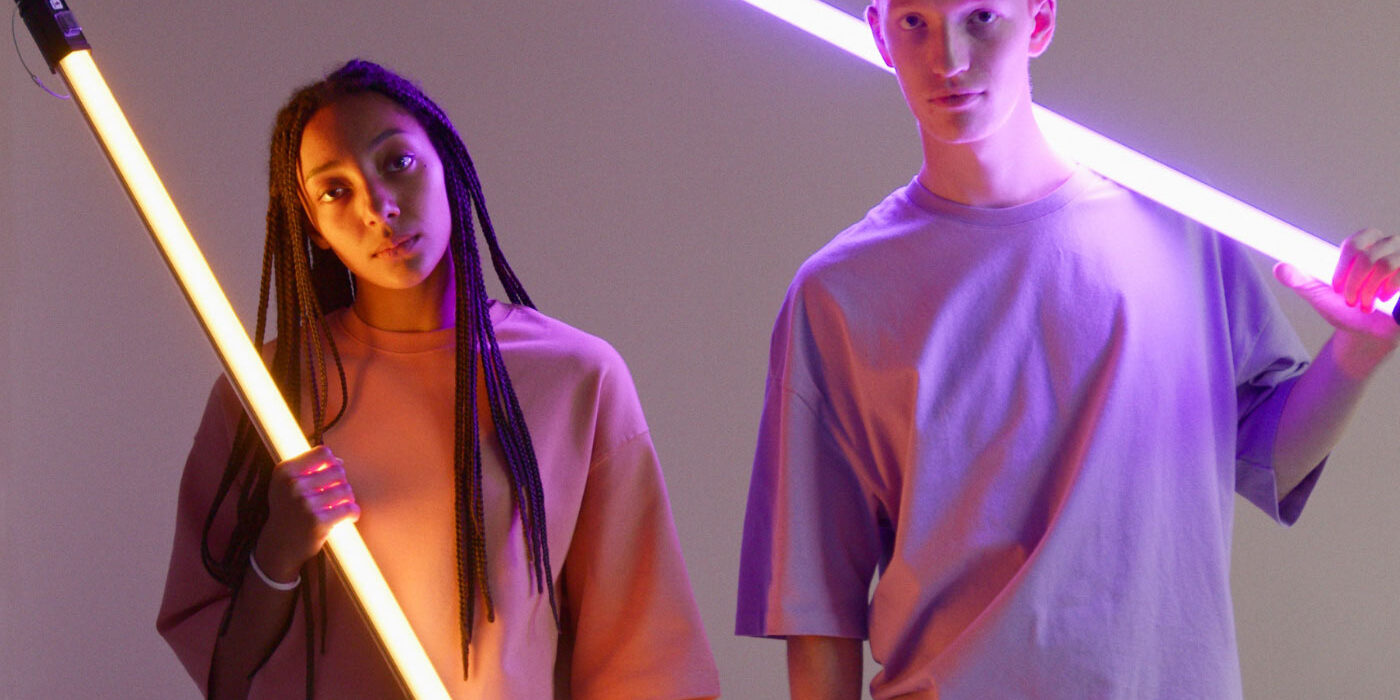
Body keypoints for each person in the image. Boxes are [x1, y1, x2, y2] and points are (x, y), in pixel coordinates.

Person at [734, 1, 1399, 697]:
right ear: (877, 32)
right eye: (914, 23)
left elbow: (1269, 458)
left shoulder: (1179, 228)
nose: (948, 60)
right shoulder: (841, 293)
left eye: (980, 17)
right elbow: (817, 603)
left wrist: (1358, 353)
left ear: (1040, 21)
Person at [157, 59, 720, 699]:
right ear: (313, 226)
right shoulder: (267, 394)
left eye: (397, 162)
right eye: (335, 191)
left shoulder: (575, 378)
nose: (378, 207)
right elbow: (224, 671)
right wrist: (278, 551)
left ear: (445, 165)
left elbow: (643, 658)